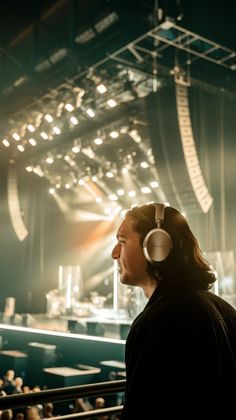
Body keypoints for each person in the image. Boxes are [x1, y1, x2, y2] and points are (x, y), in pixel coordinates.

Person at [111, 203, 236, 419]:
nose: (114, 253)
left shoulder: (157, 322)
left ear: (156, 246)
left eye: (122, 242)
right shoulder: (224, 308)